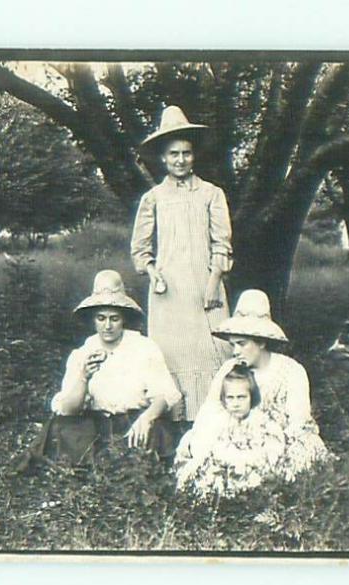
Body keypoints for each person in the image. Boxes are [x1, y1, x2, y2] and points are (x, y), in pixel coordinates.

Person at [16, 270, 184, 470]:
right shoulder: (83, 353)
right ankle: (91, 468)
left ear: (124, 319)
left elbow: (164, 396)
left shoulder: (143, 347)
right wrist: (83, 377)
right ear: (93, 320)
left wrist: (146, 418)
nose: (108, 326)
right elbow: (69, 410)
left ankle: (130, 466)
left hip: (133, 419)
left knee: (158, 432)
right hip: (95, 424)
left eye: (114, 319)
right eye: (101, 318)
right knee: (61, 427)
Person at [131, 105, 233, 431]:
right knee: (171, 356)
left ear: (194, 156)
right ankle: (173, 433)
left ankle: (213, 426)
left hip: (206, 287)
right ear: (163, 158)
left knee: (213, 350)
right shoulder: (154, 198)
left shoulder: (212, 194)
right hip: (168, 292)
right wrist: (152, 271)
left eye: (186, 154)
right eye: (173, 154)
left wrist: (214, 281)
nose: (180, 160)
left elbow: (222, 244)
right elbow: (140, 248)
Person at [194, 289, 331, 479]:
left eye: (242, 344)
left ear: (261, 342)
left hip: (279, 440)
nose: (235, 351)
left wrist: (266, 440)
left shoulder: (290, 370)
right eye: (233, 345)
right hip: (235, 437)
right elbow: (210, 410)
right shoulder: (229, 369)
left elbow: (298, 421)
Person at [174, 364, 285, 498]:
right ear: (224, 399)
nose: (236, 403)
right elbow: (205, 448)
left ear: (252, 397)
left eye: (241, 397)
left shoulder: (263, 423)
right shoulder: (219, 421)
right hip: (223, 474)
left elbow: (270, 454)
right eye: (230, 398)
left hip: (251, 473)